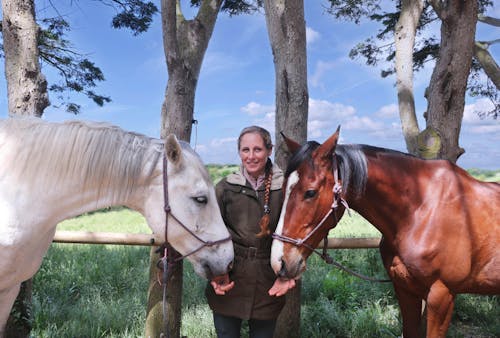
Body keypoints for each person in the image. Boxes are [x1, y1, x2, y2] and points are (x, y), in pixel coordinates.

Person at [205, 126, 296, 338]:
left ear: (269, 150)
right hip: (229, 278)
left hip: (269, 280)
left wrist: (288, 274)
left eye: (258, 149)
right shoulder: (225, 188)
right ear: (239, 152)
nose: (251, 156)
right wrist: (215, 274)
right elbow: (208, 235)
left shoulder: (285, 188)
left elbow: (296, 235)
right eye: (245, 150)